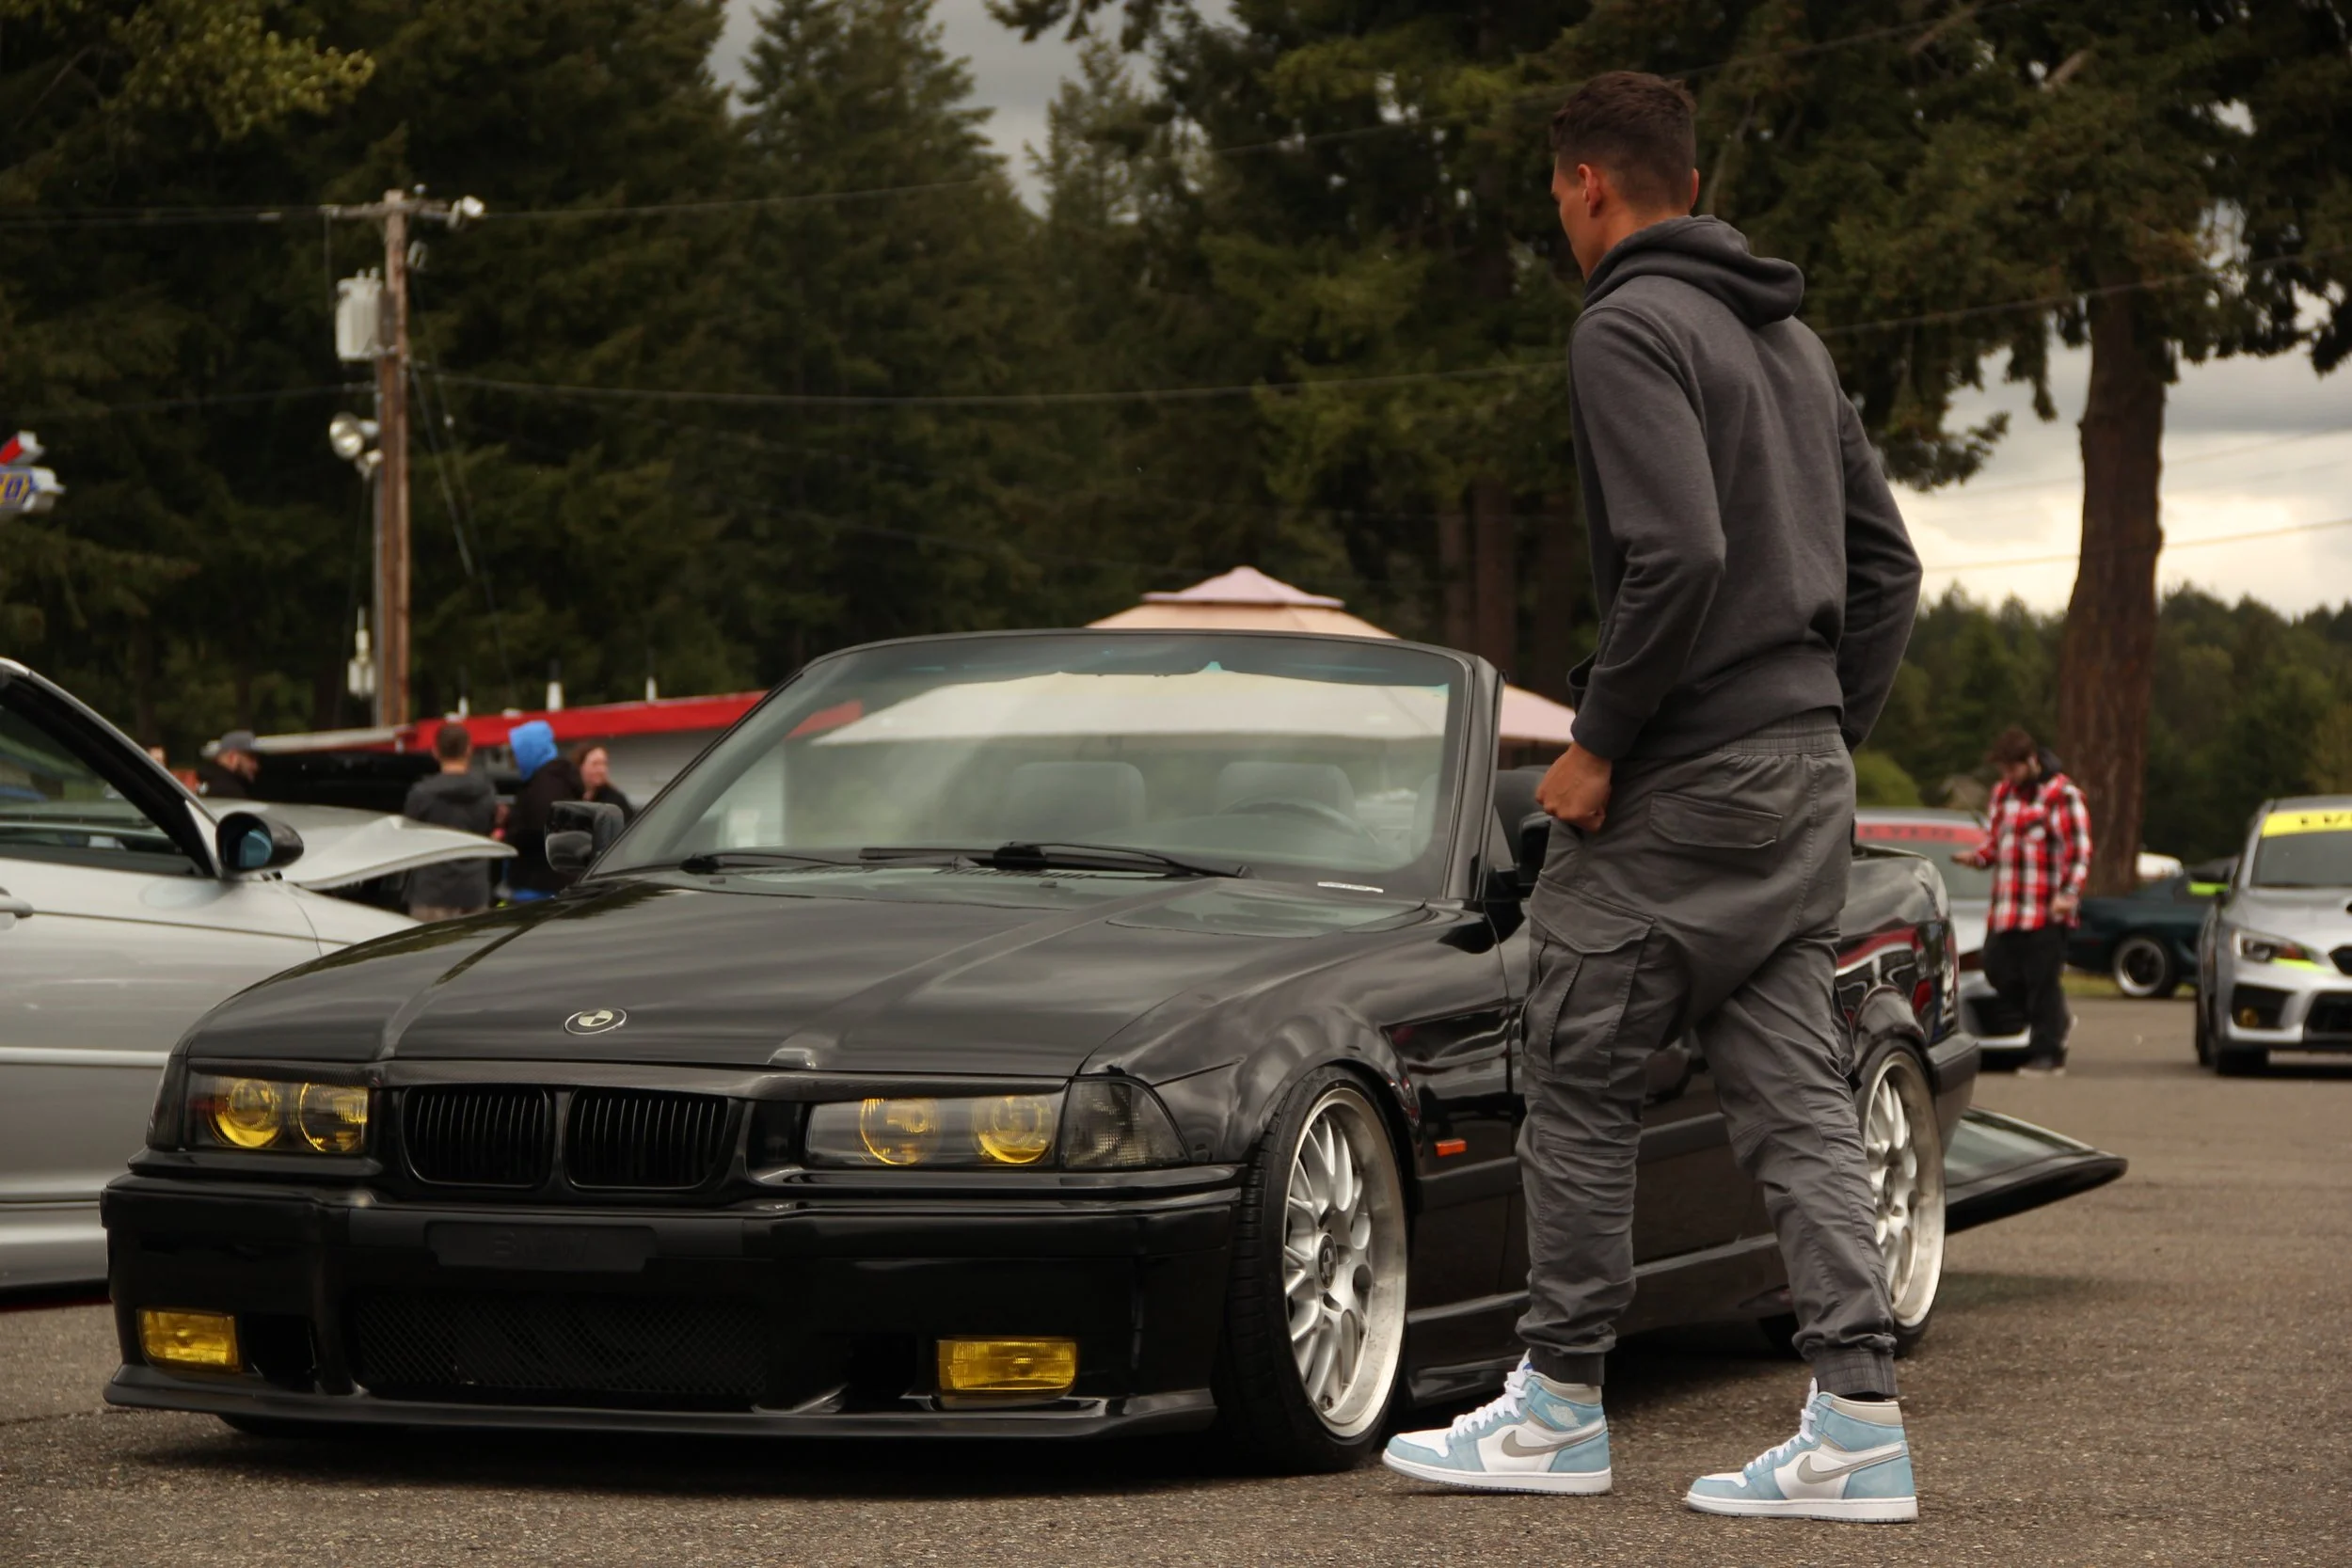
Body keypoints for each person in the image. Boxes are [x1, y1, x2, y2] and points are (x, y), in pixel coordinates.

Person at [1382, 72, 1924, 1522]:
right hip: (1801, 771)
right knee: (1793, 1083)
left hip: (1688, 775)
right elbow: (1889, 574)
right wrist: (1813, 723)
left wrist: (1606, 741)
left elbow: (1675, 555)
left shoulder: (1626, 324)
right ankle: (1858, 1415)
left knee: (1570, 1049)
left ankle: (1558, 1402)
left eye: (1554, 191)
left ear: (1587, 187)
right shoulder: (1792, 342)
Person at [1956, 726, 2091, 1077]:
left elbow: (2079, 852)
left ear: (2031, 761)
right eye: (2003, 770)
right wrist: (1978, 857)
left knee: (2042, 981)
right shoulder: (2002, 794)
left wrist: (2068, 895)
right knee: (1997, 969)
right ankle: (2057, 1021)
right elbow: (1996, 843)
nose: (2007, 776)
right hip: (2007, 909)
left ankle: (2048, 1055)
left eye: (2012, 769)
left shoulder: (2062, 794)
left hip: (2046, 910)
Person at [402, 721, 498, 921]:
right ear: (469, 750)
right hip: (474, 891)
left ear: (435, 752)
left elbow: (406, 836)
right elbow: (490, 829)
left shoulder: (421, 794)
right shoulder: (486, 792)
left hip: (431, 892)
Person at [503, 719, 581, 901]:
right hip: (555, 879)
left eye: (516, 752)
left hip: (538, 883)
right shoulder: (555, 780)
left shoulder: (544, 786)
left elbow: (540, 829)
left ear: (529, 750)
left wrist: (512, 835)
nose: (513, 759)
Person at [573, 743, 633, 820]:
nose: (601, 770)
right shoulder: (568, 797)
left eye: (604, 764)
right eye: (595, 764)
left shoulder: (616, 801)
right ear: (580, 766)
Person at [197, 730, 261, 799]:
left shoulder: (202, 782)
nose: (256, 766)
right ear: (232, 757)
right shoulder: (231, 792)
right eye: (251, 758)